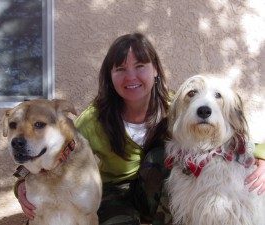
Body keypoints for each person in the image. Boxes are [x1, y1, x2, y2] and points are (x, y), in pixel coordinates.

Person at [14, 33, 265, 225]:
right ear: (110, 78)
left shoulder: (177, 104)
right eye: (120, 69)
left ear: (155, 70)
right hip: (114, 192)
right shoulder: (93, 120)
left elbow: (226, 129)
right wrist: (24, 181)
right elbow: (56, 153)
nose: (131, 76)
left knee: (163, 158)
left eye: (140, 66)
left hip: (155, 189)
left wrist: (262, 156)